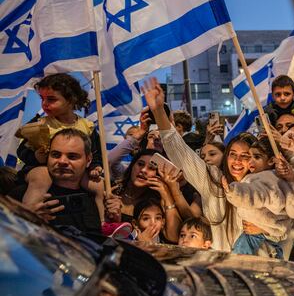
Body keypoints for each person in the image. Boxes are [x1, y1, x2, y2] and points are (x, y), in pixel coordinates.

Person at [143, 77, 251, 251]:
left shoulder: (264, 186)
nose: (237, 161)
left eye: (245, 156)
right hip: (220, 269)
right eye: (232, 154)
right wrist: (158, 112)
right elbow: (180, 152)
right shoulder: (214, 181)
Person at [9, 129, 118, 237]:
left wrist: (114, 220)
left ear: (88, 160)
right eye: (56, 155)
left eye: (72, 156)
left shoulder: (99, 199)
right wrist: (23, 219)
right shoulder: (22, 194)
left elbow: (112, 245)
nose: (62, 161)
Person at [17, 74, 102, 207]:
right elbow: (21, 150)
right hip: (40, 169)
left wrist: (95, 166)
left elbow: (96, 151)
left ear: (71, 100)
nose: (44, 104)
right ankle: (29, 213)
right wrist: (36, 157)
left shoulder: (87, 126)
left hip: (76, 174)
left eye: (51, 99)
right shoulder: (39, 124)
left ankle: (106, 222)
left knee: (99, 185)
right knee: (42, 177)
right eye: (42, 99)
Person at [222, 138, 294, 257]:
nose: (250, 162)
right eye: (249, 157)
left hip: (256, 237)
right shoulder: (274, 178)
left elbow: (254, 194)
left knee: (237, 265)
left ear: (271, 160)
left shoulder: (265, 180)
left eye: (257, 157)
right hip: (269, 238)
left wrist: (233, 191)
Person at [115, 149, 182, 241]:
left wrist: (166, 195)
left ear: (159, 175)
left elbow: (174, 237)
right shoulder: (113, 190)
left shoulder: (159, 201)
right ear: (132, 166)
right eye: (140, 164)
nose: (143, 170)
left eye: (151, 168)